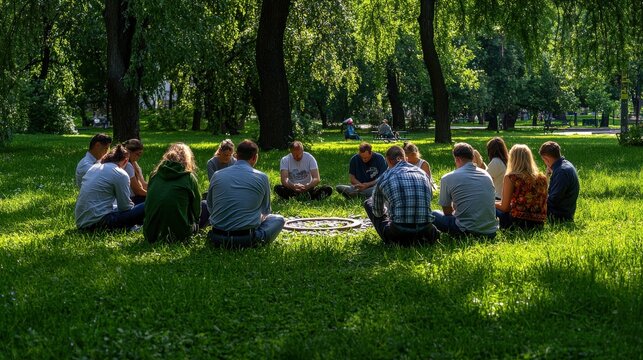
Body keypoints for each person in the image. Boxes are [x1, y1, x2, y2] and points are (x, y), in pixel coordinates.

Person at [207, 140, 285, 248]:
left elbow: (210, 206)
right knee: (278, 219)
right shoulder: (262, 177)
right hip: (246, 239)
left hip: (217, 237)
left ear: (236, 156)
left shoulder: (216, 175)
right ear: (255, 157)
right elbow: (266, 211)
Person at [364, 146, 440, 245]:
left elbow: (378, 213)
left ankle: (393, 240)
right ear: (406, 158)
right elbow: (429, 198)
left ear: (388, 161)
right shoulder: (423, 174)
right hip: (426, 230)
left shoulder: (384, 177)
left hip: (399, 233)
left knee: (369, 202)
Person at [144, 143, 209, 243]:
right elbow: (196, 209)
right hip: (179, 235)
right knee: (205, 204)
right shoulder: (189, 177)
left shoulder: (155, 175)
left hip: (151, 233)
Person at [432, 143, 498, 237]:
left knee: (433, 214)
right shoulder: (486, 175)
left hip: (467, 231)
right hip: (490, 231)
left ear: (457, 159)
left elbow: (447, 212)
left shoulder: (447, 178)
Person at [75, 145, 145, 231]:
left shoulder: (94, 168)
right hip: (101, 223)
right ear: (126, 161)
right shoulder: (120, 173)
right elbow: (125, 207)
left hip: (81, 223)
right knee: (148, 204)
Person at [495, 144, 548, 229]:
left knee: (489, 208)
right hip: (538, 223)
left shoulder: (511, 177)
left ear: (512, 159)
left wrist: (491, 203)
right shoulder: (542, 178)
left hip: (517, 222)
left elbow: (505, 208)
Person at [539, 141, 579, 222]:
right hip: (566, 211)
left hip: (559, 215)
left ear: (547, 159)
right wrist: (547, 174)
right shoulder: (565, 164)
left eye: (544, 160)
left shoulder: (561, 172)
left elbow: (553, 200)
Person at [123, 139, 148, 204]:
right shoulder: (127, 165)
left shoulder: (134, 163)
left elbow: (143, 184)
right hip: (131, 199)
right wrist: (152, 195)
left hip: (137, 196)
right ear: (129, 152)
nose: (138, 157)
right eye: (137, 154)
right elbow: (137, 191)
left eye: (140, 154)